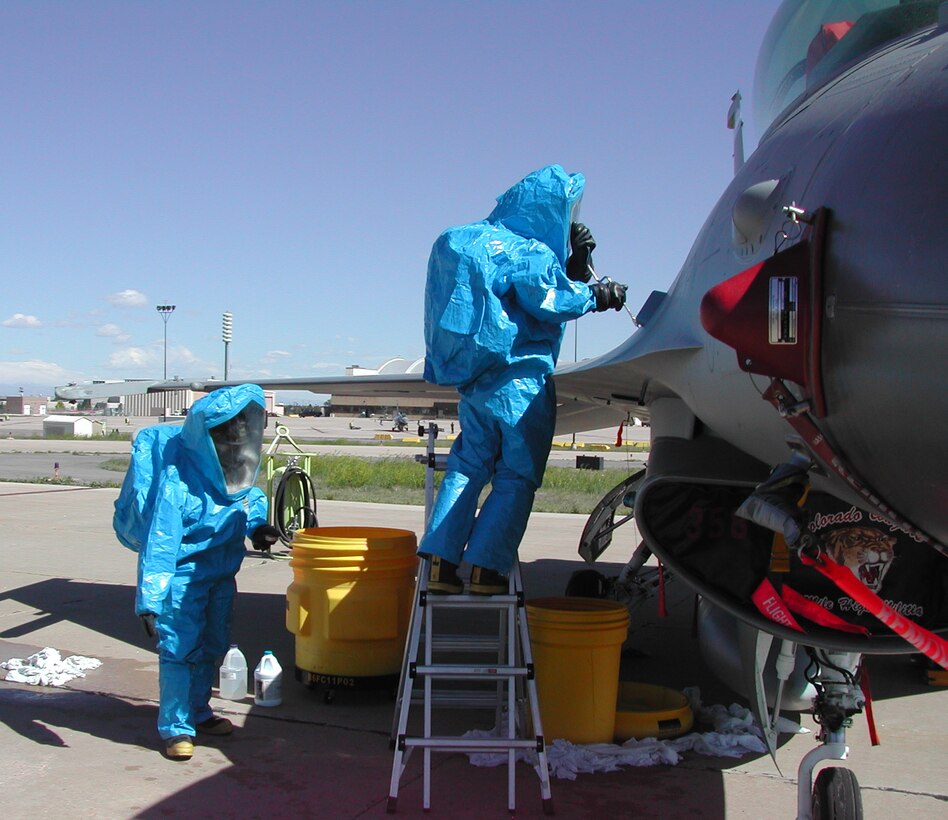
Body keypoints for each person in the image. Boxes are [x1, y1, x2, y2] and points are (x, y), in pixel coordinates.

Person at [420, 164, 627, 594]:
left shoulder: (470, 239)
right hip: (521, 383)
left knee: (468, 464)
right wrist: (598, 292)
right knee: (516, 473)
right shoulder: (528, 249)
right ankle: (485, 569)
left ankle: (440, 563)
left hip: (476, 383)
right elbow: (550, 299)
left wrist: (571, 263)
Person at [131, 384, 280, 760]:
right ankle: (177, 728)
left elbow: (249, 504)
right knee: (180, 651)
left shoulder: (236, 474)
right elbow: (160, 542)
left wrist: (259, 527)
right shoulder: (179, 481)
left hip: (221, 577)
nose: (237, 440)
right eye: (228, 431)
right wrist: (150, 600)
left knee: (212, 646)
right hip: (182, 580)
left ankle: (198, 712)